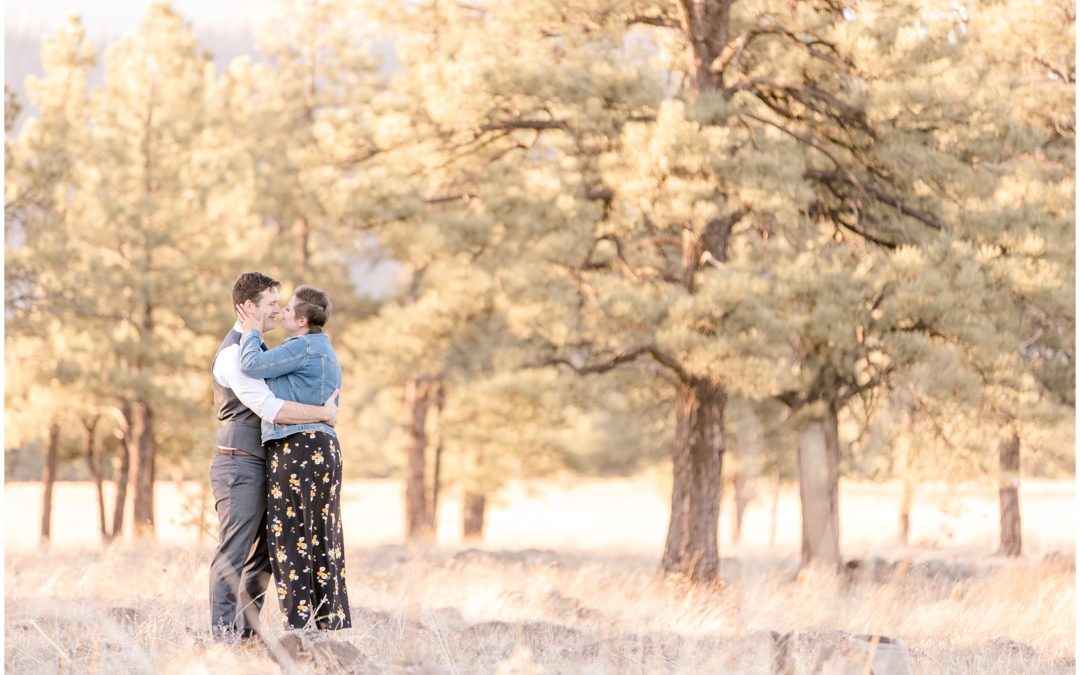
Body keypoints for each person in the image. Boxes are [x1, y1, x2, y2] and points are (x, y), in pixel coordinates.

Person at [209, 272, 339, 642]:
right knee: (233, 554)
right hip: (239, 463)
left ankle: (246, 637)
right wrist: (322, 414)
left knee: (263, 556)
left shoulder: (261, 350)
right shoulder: (235, 354)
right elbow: (268, 407)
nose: (277, 311)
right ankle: (222, 640)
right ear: (247, 307)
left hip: (262, 464)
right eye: (270, 305)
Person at [236, 284, 351, 631]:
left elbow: (252, 364)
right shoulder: (325, 350)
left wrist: (251, 330)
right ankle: (328, 622)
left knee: (289, 534)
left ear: (301, 320)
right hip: (324, 449)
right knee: (321, 534)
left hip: (298, 447)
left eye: (286, 310)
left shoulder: (302, 347)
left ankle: (299, 625)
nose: (281, 313)